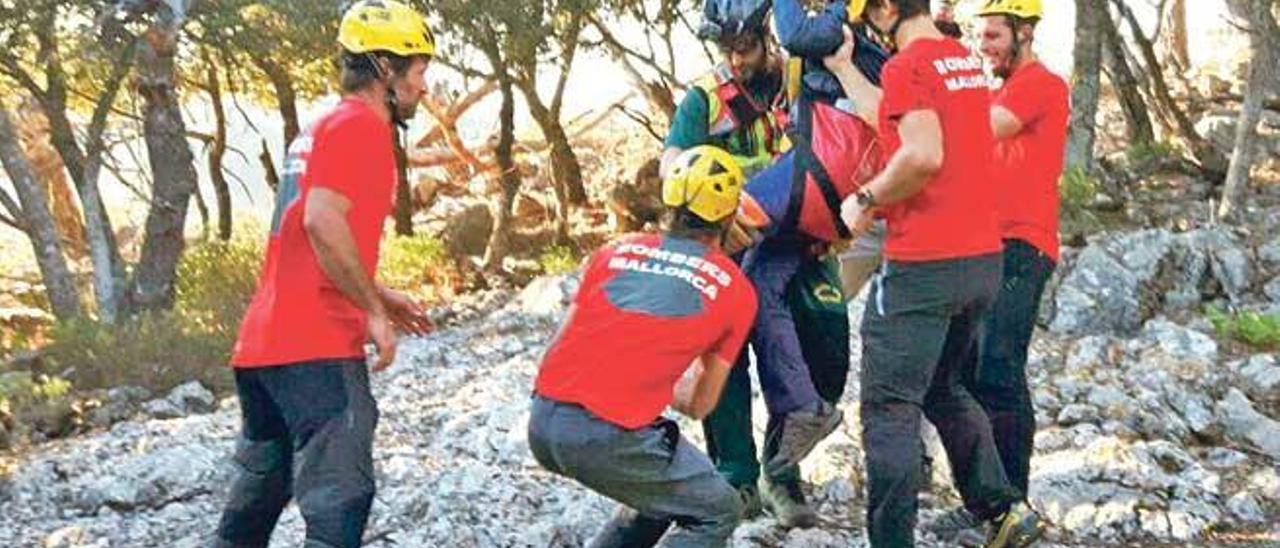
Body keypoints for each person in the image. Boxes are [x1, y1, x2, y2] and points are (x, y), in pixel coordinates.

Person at [213, 2, 435, 546]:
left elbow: (305, 238)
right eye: (420, 71)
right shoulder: (361, 126)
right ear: (385, 69)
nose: (425, 88)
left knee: (256, 502)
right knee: (341, 503)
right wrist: (372, 311)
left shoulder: (318, 129)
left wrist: (380, 292)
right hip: (314, 345)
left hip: (263, 348)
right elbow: (320, 221)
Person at [829, 0, 1045, 545]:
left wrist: (865, 198)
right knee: (944, 387)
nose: (865, 27)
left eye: (864, 15)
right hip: (980, 263)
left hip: (924, 265)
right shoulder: (962, 62)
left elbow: (921, 155)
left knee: (890, 407)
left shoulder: (909, 66)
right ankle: (1002, 508)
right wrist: (844, 69)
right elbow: (896, 114)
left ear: (884, 8)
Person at [528, 146, 758, 548]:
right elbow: (699, 405)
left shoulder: (615, 250)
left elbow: (557, 350)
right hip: (602, 436)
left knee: (663, 495)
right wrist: (654, 377)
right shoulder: (735, 289)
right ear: (730, 214)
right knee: (717, 508)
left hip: (543, 421)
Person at [930, 0, 1070, 542]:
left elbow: (980, 128)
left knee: (999, 370)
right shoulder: (995, 87)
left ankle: (1012, 504)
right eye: (978, 35)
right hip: (980, 246)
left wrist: (942, 65)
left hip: (1022, 243)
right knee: (957, 376)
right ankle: (987, 501)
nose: (983, 45)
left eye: (992, 35)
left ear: (1024, 33)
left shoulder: (1042, 85)